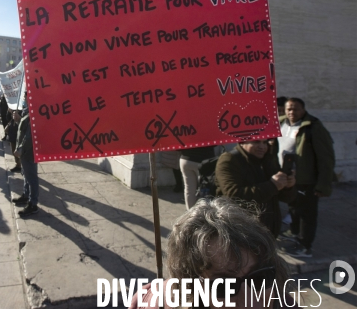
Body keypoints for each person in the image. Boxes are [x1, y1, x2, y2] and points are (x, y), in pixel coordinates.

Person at [128, 197, 294, 308]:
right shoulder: (147, 301)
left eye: (260, 278)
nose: (249, 299)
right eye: (224, 286)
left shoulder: (284, 304)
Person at [275, 97, 335, 258]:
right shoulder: (281, 122)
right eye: (289, 109)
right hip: (287, 176)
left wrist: (323, 185)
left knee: (307, 214)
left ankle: (305, 246)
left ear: (303, 110)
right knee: (293, 207)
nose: (291, 112)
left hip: (306, 179)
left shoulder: (313, 127)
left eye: (295, 109)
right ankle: (294, 232)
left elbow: (326, 158)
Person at [215, 139, 296, 237]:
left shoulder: (268, 160)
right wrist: (272, 185)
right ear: (242, 142)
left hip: (268, 231)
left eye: (265, 142)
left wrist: (288, 186)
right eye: (256, 142)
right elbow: (234, 196)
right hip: (240, 232)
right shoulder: (229, 160)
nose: (262, 147)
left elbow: (285, 198)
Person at [12, 107, 39, 216]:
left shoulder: (33, 112)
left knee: (31, 178)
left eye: (25, 95)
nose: (24, 97)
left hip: (29, 152)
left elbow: (29, 136)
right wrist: (18, 119)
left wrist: (20, 149)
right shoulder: (27, 111)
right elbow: (23, 130)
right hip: (26, 152)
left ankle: (33, 204)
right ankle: (26, 195)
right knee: (26, 175)